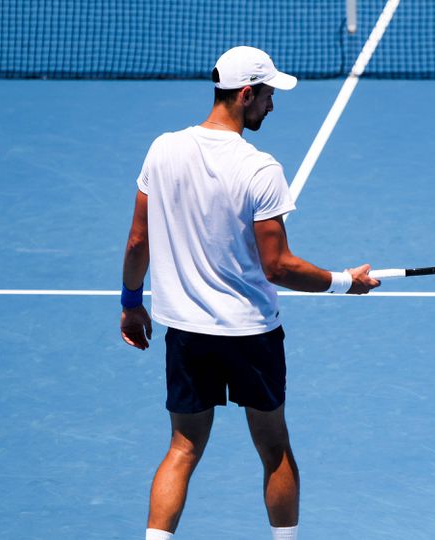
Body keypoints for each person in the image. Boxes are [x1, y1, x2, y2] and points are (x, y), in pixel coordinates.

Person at [119, 46, 380, 540]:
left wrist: (132, 303)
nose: (272, 106)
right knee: (274, 447)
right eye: (267, 96)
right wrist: (347, 282)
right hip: (249, 335)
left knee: (183, 447)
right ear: (245, 94)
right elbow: (278, 266)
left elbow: (138, 241)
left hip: (186, 332)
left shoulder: (162, 148)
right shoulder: (260, 168)